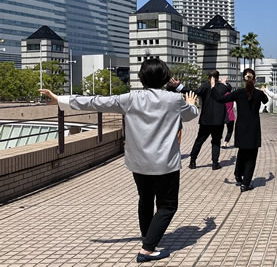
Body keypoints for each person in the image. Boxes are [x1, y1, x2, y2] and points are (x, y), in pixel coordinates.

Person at [40, 58, 198, 263]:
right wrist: (192, 104)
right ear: (165, 77)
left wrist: (61, 99)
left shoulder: (130, 98)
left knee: (146, 198)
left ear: (142, 78)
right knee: (167, 206)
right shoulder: (173, 100)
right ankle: (147, 249)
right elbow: (190, 116)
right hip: (165, 163)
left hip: (138, 162)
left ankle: (146, 237)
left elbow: (96, 101)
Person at [212, 69, 269, 192]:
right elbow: (266, 101)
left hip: (241, 128)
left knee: (242, 152)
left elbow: (219, 99)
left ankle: (238, 175)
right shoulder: (258, 94)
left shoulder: (238, 93)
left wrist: (213, 87)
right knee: (251, 157)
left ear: (243, 79)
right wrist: (262, 91)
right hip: (253, 128)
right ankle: (245, 184)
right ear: (254, 79)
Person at [169, 71, 230, 170]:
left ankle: (193, 162)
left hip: (206, 120)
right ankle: (215, 163)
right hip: (218, 121)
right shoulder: (222, 87)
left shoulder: (205, 86)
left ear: (208, 77)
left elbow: (193, 92)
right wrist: (223, 82)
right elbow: (228, 88)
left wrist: (179, 86)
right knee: (216, 142)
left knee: (199, 141)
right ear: (218, 78)